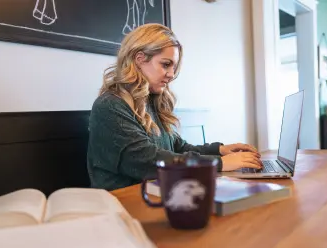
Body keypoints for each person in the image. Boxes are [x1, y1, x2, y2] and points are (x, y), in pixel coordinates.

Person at [87, 23, 262, 191]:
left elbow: (178, 148)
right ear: (139, 59)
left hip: (158, 194)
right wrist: (220, 163)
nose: (171, 74)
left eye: (174, 67)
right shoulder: (109, 106)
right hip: (124, 204)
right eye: (165, 64)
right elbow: (148, 161)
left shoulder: (150, 103)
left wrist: (220, 150)